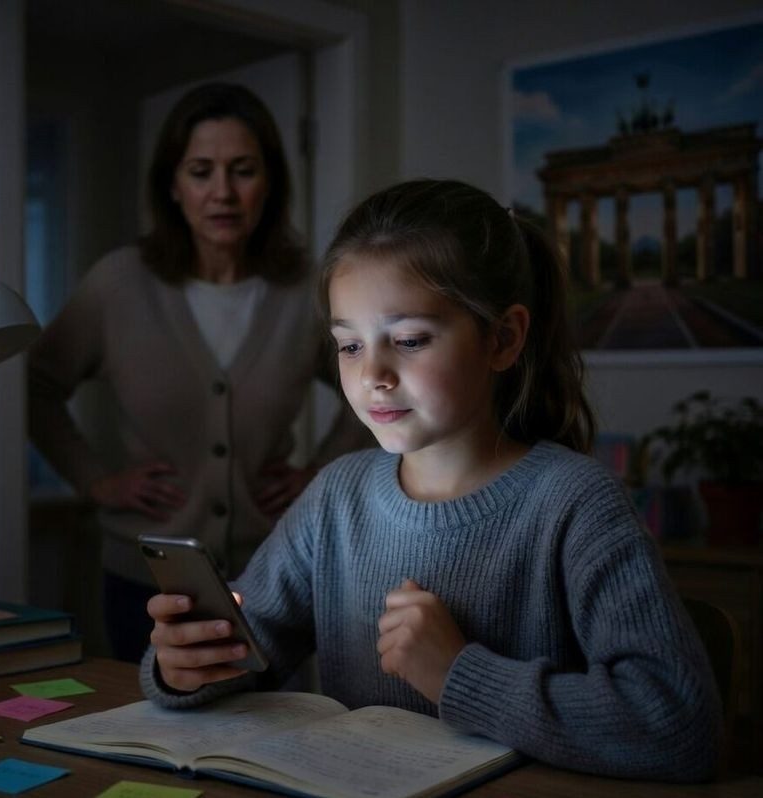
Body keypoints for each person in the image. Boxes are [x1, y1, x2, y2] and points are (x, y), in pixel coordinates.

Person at [138, 179, 723, 781]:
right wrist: (186, 661)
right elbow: (245, 650)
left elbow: (678, 726)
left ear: (503, 339)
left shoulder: (575, 504)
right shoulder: (336, 498)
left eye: (410, 340)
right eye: (348, 345)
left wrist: (458, 674)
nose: (373, 375)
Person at [28, 83, 370, 663]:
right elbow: (35, 386)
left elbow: (375, 384)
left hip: (274, 574)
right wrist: (94, 481)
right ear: (172, 185)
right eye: (200, 171)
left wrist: (321, 474)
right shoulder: (118, 285)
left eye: (243, 170)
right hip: (145, 581)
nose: (223, 193)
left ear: (271, 183)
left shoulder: (307, 291)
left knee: (267, 743)